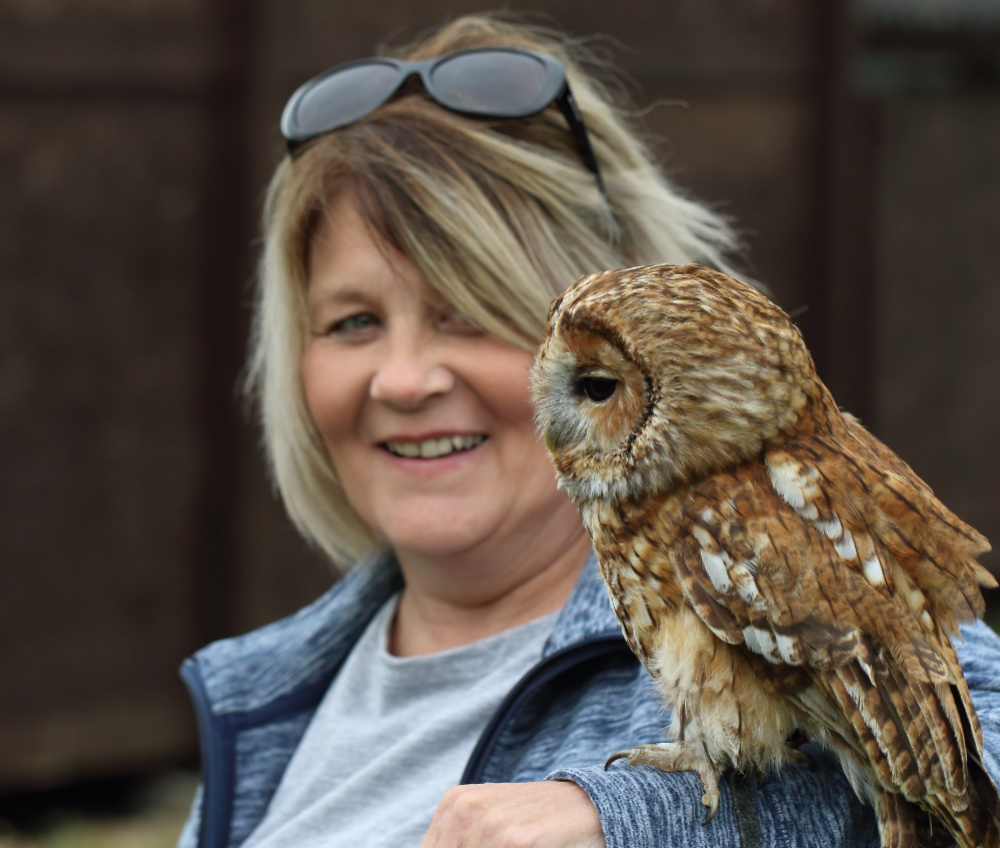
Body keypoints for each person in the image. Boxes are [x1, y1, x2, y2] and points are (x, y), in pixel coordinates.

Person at [177, 12, 1000, 848]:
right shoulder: (263, 695)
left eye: (470, 313)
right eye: (353, 322)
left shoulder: (760, 526)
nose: (405, 379)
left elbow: (978, 762)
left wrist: (641, 827)